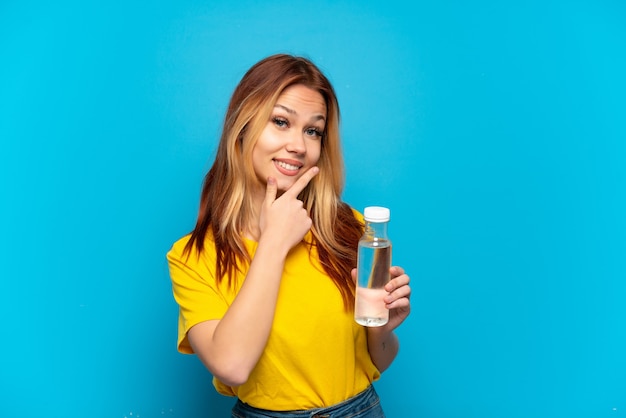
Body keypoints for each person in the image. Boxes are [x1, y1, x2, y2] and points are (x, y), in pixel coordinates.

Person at [166, 53, 411, 417]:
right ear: (243, 127)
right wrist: (274, 242)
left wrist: (382, 330)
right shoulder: (193, 256)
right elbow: (232, 365)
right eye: (281, 122)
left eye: (313, 130)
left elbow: (381, 359)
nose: (299, 145)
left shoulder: (351, 230)